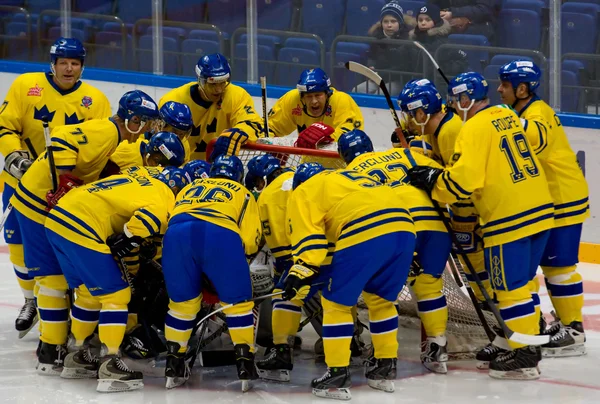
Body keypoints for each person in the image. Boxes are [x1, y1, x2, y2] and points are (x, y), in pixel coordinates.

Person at [407, 72, 554, 380]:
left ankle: (526, 354)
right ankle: (513, 338)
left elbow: (463, 181)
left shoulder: (471, 127)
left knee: (508, 289)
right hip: (540, 208)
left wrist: (435, 181)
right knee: (522, 283)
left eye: (453, 100)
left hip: (508, 216)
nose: (450, 106)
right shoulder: (507, 114)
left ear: (465, 100)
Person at [9, 90, 159, 374]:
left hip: (36, 202)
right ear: (133, 119)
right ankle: (50, 350)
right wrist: (63, 182)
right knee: (53, 279)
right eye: (147, 122)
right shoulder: (106, 131)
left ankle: (53, 347)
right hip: (37, 205)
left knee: (55, 279)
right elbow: (63, 137)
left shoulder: (112, 138)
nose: (149, 129)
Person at [0, 37, 111, 337]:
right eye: (63, 62)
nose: (69, 68)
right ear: (52, 64)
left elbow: (102, 145)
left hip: (69, 191)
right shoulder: (26, 86)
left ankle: (65, 306)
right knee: (20, 249)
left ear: (82, 67)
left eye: (75, 63)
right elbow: (6, 126)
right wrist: (13, 156)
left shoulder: (95, 99)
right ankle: (31, 301)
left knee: (64, 250)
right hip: (21, 185)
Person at [43, 166, 187, 392]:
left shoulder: (134, 182)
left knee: (88, 293)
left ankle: (78, 355)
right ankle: (111, 363)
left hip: (56, 220)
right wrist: (129, 237)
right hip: (83, 225)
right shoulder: (164, 194)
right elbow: (150, 218)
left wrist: (127, 241)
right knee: (116, 295)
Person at [285, 163, 416, 399]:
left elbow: (311, 240)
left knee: (336, 304)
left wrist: (301, 271)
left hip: (365, 229)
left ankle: (337, 373)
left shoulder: (304, 190)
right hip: (405, 228)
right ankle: (385, 367)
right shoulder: (350, 178)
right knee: (382, 301)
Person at [398, 81, 497, 367]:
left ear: (422, 112)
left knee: (483, 273)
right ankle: (499, 333)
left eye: (410, 113)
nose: (407, 119)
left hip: (473, 209)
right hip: (465, 208)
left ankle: (506, 331)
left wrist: (463, 219)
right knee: (477, 274)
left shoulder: (452, 131)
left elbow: (465, 178)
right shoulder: (438, 130)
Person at [338, 129, 452, 374]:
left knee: (380, 294)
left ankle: (382, 355)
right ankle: (438, 346)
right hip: (436, 223)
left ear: (343, 156)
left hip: (400, 226)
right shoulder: (405, 154)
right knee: (429, 286)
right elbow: (442, 173)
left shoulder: (349, 173)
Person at [498, 60, 590, 357]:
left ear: (522, 89)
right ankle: (564, 323)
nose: (500, 90)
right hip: (548, 199)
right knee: (549, 267)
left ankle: (574, 331)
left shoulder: (537, 113)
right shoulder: (523, 110)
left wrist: (493, 117)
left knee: (559, 267)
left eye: (505, 85)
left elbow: (533, 138)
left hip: (562, 197)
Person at [160, 155, 262, 391]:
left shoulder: (189, 188)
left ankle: (173, 364)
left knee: (181, 306)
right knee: (238, 305)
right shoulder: (242, 191)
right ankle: (245, 364)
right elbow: (250, 240)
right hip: (220, 233)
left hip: (176, 236)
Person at [158, 53, 265, 161]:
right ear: (201, 81)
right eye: (213, 84)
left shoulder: (237, 96)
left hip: (218, 166)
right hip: (180, 167)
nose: (219, 90)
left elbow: (253, 123)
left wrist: (238, 132)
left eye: (223, 83)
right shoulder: (173, 101)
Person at [267, 68, 364, 149]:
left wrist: (327, 139)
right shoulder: (293, 99)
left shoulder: (341, 100)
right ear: (302, 97)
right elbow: (270, 128)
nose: (314, 101)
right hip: (309, 165)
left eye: (318, 95)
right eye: (309, 96)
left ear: (327, 93)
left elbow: (351, 137)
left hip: (340, 166)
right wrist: (267, 140)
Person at [108, 101, 193, 172]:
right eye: (174, 131)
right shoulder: (133, 138)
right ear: (161, 124)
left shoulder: (183, 147)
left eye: (182, 134)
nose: (177, 137)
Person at [355, 1, 415, 95]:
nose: (389, 25)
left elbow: (404, 67)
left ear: (400, 22)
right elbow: (371, 56)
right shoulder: (376, 37)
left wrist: (381, 74)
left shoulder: (408, 39)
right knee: (357, 90)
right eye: (385, 21)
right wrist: (371, 67)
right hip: (378, 77)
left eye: (393, 21)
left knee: (381, 93)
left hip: (399, 80)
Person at [409, 4, 469, 81]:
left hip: (439, 85)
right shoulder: (413, 40)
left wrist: (442, 69)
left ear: (436, 21)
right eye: (420, 20)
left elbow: (462, 61)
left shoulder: (443, 43)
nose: (423, 23)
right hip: (415, 83)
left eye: (428, 20)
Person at [429, 0, 498, 41]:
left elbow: (484, 10)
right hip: (448, 21)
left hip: (478, 23)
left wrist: (453, 13)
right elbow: (430, 7)